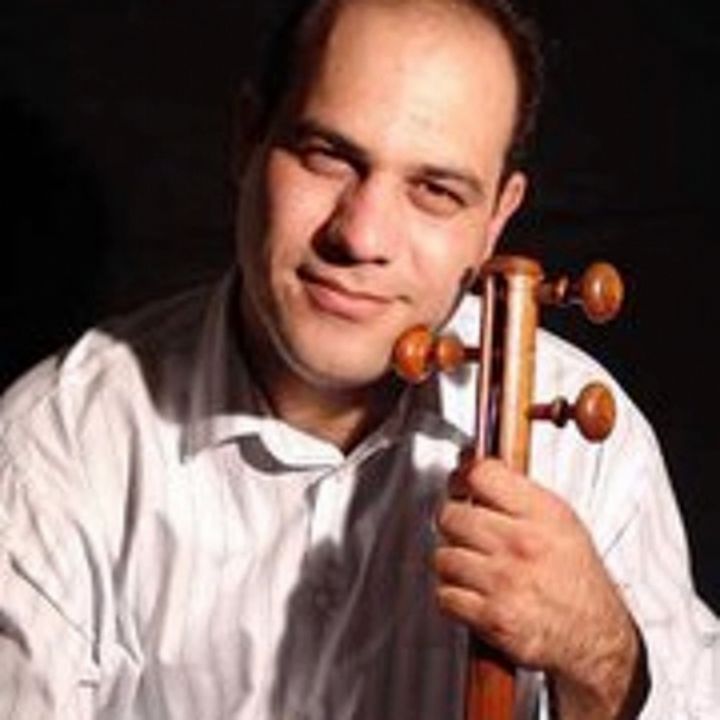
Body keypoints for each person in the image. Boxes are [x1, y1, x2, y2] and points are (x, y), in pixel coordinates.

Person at [0, 0, 718, 717]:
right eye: (328, 156)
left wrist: (603, 661)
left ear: (496, 219)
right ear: (247, 139)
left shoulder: (591, 449)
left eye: (435, 191)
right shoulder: (52, 448)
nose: (362, 236)